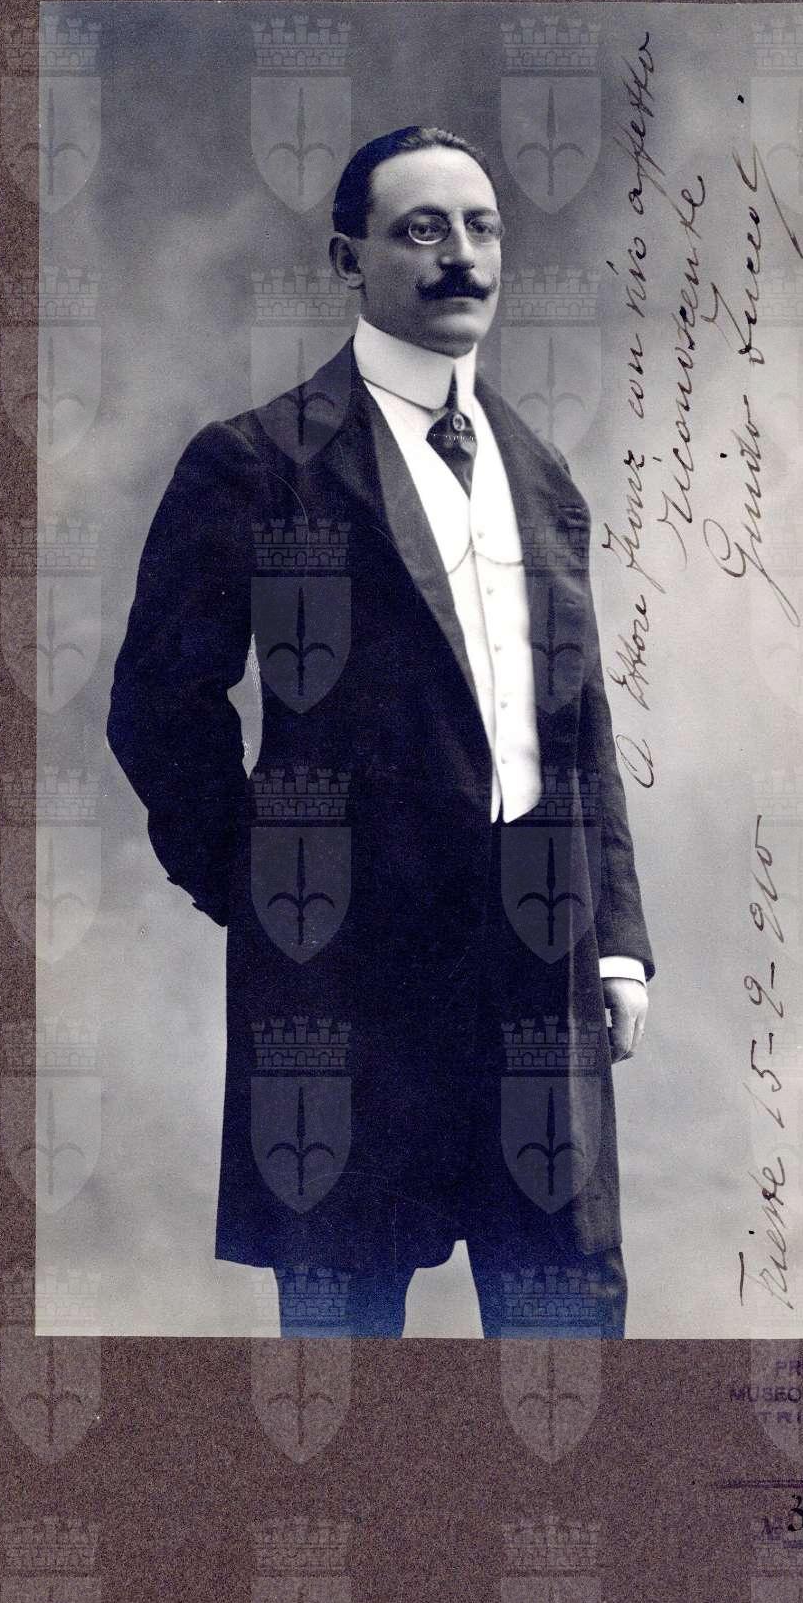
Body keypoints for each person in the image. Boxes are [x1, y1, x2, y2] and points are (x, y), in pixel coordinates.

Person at [107, 125, 655, 1338]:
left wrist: (616, 941)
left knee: (565, 1335)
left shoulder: (538, 472)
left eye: (482, 227)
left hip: (539, 975)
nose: (462, 256)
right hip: (353, 992)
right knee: (345, 1344)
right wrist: (269, 890)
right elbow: (159, 702)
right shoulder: (260, 462)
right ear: (348, 258)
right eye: (422, 229)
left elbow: (577, 719)